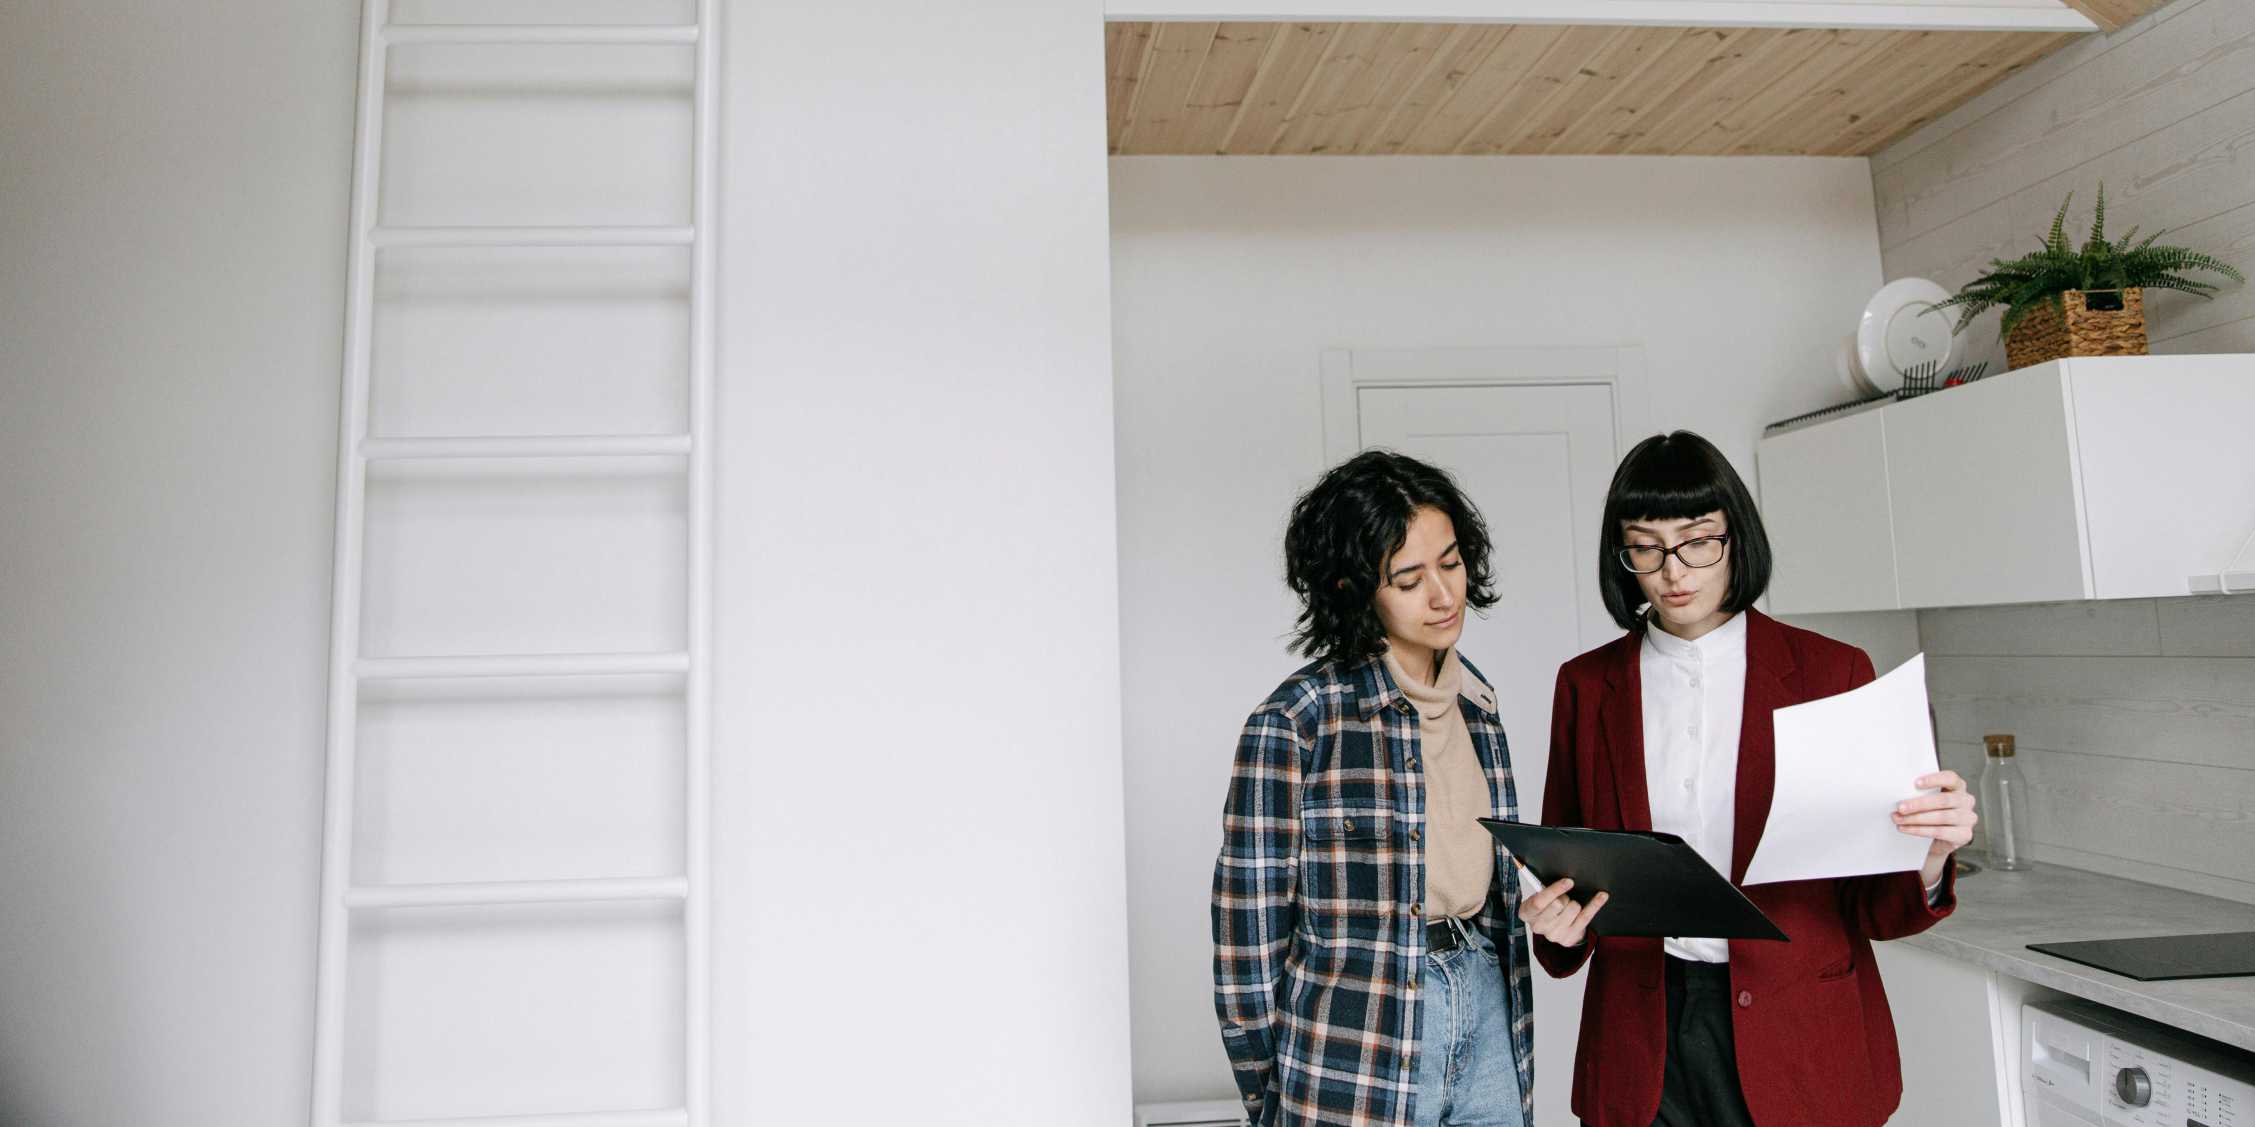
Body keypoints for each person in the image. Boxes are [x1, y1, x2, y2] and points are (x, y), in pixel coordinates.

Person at [1519, 430, 1978, 1127]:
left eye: (1698, 539)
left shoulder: (1832, 672)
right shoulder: (1586, 686)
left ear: (1736, 537)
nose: (1673, 569)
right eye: (1645, 545)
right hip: (1641, 1042)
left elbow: (1872, 907)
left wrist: (1932, 855)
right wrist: (1556, 924)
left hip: (1799, 1040)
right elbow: (1568, 870)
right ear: (1624, 556)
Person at [1213, 449, 1534, 1127]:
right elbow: (1247, 951)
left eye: (1449, 563)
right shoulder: (1297, 722)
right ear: (1354, 587)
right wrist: (1278, 1100)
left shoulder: (1479, 707)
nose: (1443, 595)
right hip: (1354, 1044)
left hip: (1482, 1000)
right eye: (1408, 578)